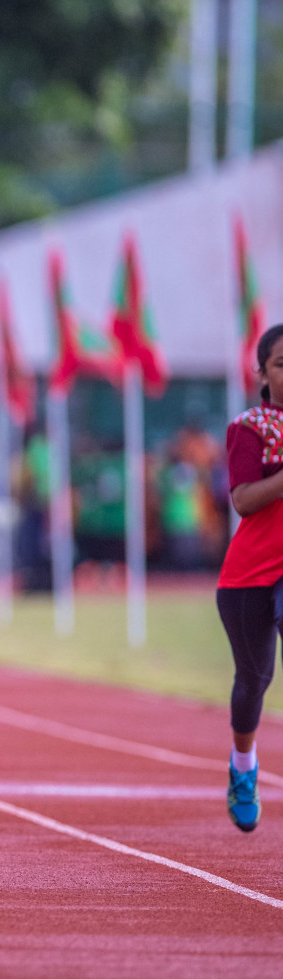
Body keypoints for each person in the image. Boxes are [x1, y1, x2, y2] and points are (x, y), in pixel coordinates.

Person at [216, 323, 283, 832]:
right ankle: (243, 768)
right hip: (250, 576)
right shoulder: (251, 427)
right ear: (262, 372)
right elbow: (242, 500)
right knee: (254, 680)